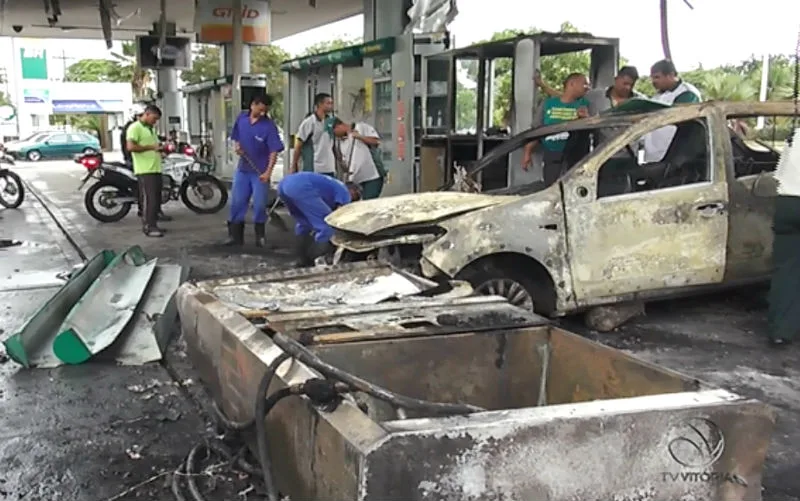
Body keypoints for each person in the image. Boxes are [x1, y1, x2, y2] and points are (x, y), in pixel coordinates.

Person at [223, 94, 285, 247]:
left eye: (265, 111)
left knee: (259, 205)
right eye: (261, 110)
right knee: (237, 202)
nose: (263, 113)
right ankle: (235, 236)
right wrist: (237, 147)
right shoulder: (242, 119)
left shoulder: (269, 126)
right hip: (243, 170)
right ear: (253, 105)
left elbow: (274, 151)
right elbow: (236, 137)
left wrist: (268, 172)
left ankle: (260, 238)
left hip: (260, 173)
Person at [277, 172, 362, 267]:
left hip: (284, 184)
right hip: (301, 187)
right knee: (327, 225)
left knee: (304, 223)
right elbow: (340, 214)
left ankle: (300, 258)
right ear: (353, 190)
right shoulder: (344, 191)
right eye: (356, 196)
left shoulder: (332, 184)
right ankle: (317, 258)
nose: (353, 200)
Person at [522, 73, 590, 185]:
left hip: (575, 158)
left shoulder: (585, 103)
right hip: (552, 156)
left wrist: (586, 120)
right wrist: (527, 152)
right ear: (572, 84)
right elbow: (536, 129)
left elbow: (592, 128)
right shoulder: (548, 104)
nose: (588, 88)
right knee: (551, 189)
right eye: (585, 84)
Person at [767, 130, 800, 347]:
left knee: (786, 270)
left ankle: (780, 331)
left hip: (787, 204)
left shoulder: (795, 135)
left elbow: (778, 174)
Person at [643, 59, 702, 163]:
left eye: (657, 77)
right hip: (654, 156)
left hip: (676, 157)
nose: (653, 81)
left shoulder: (687, 93)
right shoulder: (657, 96)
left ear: (670, 75)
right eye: (652, 78)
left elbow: (682, 119)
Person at [126, 104, 167, 238]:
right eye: (154, 118)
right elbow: (131, 147)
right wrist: (151, 147)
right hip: (145, 170)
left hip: (155, 168)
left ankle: (154, 223)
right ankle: (148, 227)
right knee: (149, 200)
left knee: (156, 199)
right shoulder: (135, 128)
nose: (155, 122)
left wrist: (160, 151)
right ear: (147, 114)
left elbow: (154, 147)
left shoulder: (151, 129)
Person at [332, 118, 384, 199]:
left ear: (339, 126)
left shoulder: (360, 127)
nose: (334, 135)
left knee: (368, 202)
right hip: (355, 179)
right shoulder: (339, 142)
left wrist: (360, 137)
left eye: (334, 131)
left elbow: (376, 142)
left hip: (371, 176)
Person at [291, 93, 336, 176]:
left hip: (329, 166)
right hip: (314, 167)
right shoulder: (309, 122)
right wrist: (294, 164)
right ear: (320, 104)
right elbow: (298, 145)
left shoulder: (330, 121)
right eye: (328, 103)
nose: (331, 106)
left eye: (331, 103)